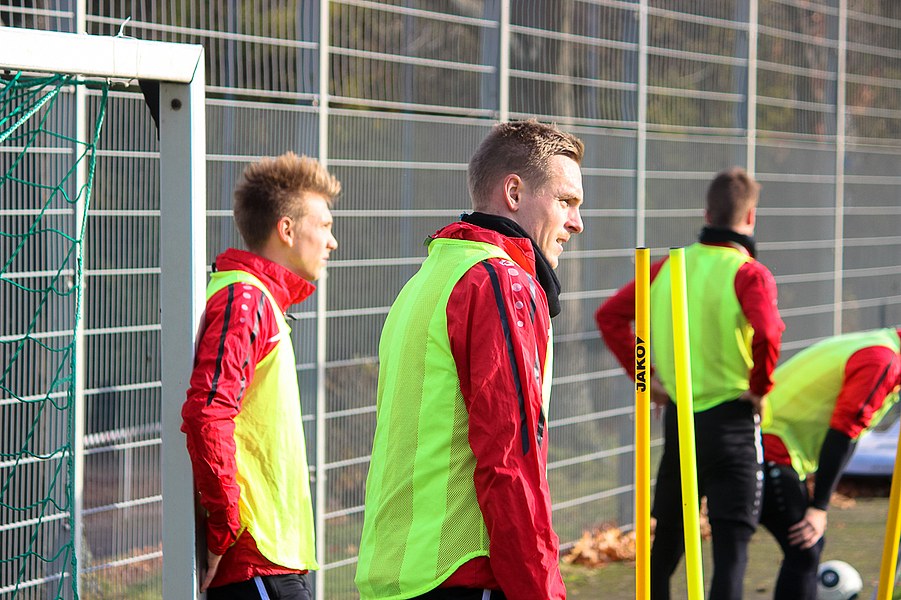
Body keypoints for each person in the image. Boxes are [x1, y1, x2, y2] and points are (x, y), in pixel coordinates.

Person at [354, 120, 585, 600]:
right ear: (514, 192)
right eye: (566, 201)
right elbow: (510, 460)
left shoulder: (424, 281)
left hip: (394, 576)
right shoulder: (500, 282)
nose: (576, 222)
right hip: (460, 572)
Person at [595, 167, 784, 600]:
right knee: (731, 549)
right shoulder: (749, 273)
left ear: (707, 214)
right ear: (750, 217)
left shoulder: (667, 268)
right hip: (733, 421)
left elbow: (609, 317)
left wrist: (646, 379)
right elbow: (769, 332)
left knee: (665, 548)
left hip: (680, 420)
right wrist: (760, 387)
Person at [181, 152, 339, 599]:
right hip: (255, 562)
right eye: (324, 225)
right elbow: (207, 414)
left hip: (269, 561)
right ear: (286, 230)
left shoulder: (258, 300)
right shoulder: (246, 300)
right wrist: (223, 529)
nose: (332, 242)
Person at [759, 327, 901, 599]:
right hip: (772, 445)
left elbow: (853, 433)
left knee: (737, 546)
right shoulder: (882, 360)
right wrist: (819, 507)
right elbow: (843, 432)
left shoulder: (879, 344)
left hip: (768, 440)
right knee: (805, 547)